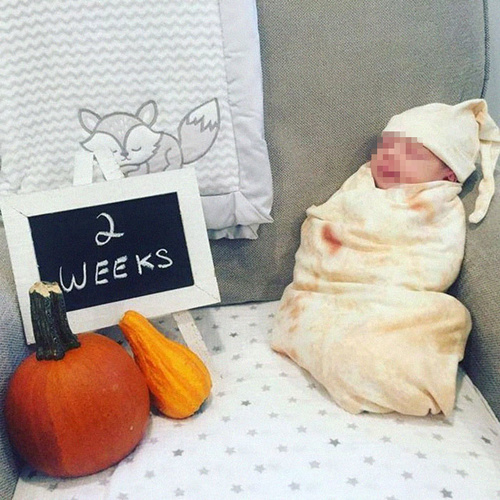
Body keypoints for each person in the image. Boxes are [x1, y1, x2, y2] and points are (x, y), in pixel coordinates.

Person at [271, 99, 500, 416]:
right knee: (330, 330)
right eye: (385, 148)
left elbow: (437, 263)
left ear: (448, 174)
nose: (389, 157)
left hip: (399, 298)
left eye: (408, 153)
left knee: (444, 317)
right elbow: (323, 228)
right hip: (329, 293)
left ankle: (380, 367)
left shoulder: (438, 205)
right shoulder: (359, 186)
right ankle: (350, 355)